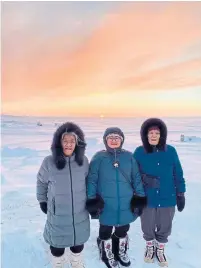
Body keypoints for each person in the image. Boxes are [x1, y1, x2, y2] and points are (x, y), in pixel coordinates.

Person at [86, 127, 147, 268]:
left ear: (122, 140)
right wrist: (92, 200)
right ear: (105, 140)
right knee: (105, 229)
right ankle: (105, 251)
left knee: (123, 228)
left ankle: (120, 250)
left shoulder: (129, 157)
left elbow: (136, 179)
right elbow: (92, 180)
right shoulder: (98, 158)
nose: (114, 140)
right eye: (111, 137)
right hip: (105, 203)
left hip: (126, 202)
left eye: (117, 137)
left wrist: (139, 199)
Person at [133, 118, 186, 267]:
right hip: (147, 197)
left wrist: (180, 193)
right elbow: (133, 174)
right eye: (151, 133)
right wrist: (145, 181)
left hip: (167, 197)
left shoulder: (171, 151)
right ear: (146, 135)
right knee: (147, 225)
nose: (154, 135)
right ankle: (150, 247)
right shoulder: (139, 152)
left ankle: (160, 249)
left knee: (165, 225)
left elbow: (178, 173)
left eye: (157, 133)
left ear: (162, 135)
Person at [36, 122, 90, 268]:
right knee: (57, 245)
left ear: (77, 143)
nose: (68, 144)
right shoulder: (49, 162)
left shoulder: (83, 161)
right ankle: (58, 264)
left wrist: (92, 200)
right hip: (58, 212)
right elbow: (41, 182)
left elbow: (90, 183)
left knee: (78, 243)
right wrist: (42, 200)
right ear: (59, 143)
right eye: (65, 141)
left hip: (80, 211)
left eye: (72, 141)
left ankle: (76, 262)